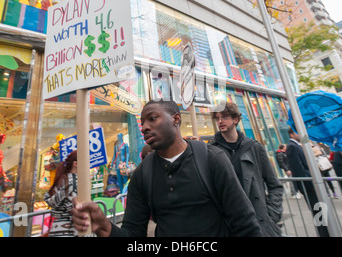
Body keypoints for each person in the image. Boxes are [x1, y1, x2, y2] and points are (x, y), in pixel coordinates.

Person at [72, 100, 264, 237]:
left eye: (152, 119)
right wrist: (105, 228)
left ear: (176, 119)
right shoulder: (142, 175)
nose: (144, 127)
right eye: (142, 123)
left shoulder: (213, 158)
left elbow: (245, 223)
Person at [210, 102, 283, 237]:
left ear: (235, 119)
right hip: (229, 223)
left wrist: (271, 215)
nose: (220, 121)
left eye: (224, 117)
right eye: (217, 118)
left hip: (258, 222)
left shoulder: (254, 147)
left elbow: (275, 185)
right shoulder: (211, 150)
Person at [286, 127, 329, 237]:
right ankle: (324, 233)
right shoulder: (292, 146)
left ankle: (326, 232)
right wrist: (307, 184)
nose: (300, 134)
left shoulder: (297, 146)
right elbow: (297, 168)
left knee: (321, 211)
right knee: (318, 212)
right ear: (292, 134)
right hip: (309, 186)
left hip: (311, 185)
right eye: (297, 132)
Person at [43, 150, 78, 237]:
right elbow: (76, 208)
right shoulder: (75, 182)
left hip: (57, 228)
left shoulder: (63, 178)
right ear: (76, 164)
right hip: (70, 230)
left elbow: (47, 197)